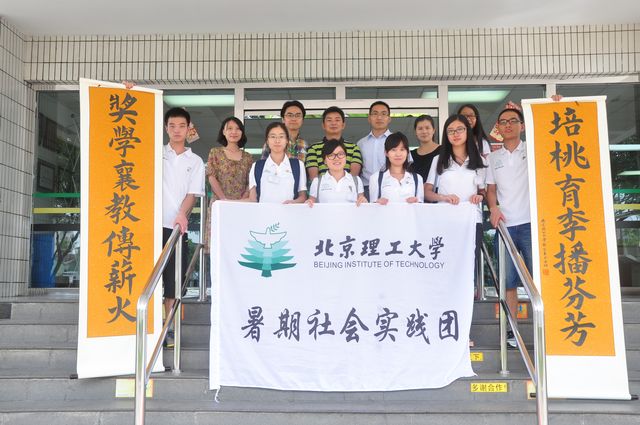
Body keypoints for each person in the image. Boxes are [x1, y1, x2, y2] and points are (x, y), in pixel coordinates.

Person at [486, 107, 531, 349]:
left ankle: (549, 327)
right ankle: (512, 330)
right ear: (498, 127)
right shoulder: (493, 158)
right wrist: (493, 207)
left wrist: (554, 105)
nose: (508, 125)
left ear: (522, 126)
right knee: (509, 282)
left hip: (532, 225)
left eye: (513, 121)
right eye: (503, 122)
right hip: (505, 227)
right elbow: (491, 190)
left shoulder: (532, 149)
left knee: (539, 280)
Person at [424, 114, 486, 288]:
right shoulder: (439, 160)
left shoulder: (479, 160)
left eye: (460, 129)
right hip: (445, 221)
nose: (455, 134)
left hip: (471, 221)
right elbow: (427, 193)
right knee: (444, 265)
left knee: (468, 267)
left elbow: (482, 191)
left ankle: (467, 301)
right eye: (450, 131)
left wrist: (479, 196)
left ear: (467, 131)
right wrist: (443, 197)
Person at [162, 107, 205, 348]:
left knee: (173, 282)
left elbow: (193, 193)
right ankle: (148, 326)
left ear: (189, 128)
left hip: (177, 227)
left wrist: (181, 214)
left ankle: (168, 330)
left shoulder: (195, 161)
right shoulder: (155, 153)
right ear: (166, 128)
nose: (177, 130)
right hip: (150, 226)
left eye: (181, 126)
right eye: (172, 126)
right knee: (150, 278)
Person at [205, 117, 253, 250]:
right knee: (219, 244)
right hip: (220, 204)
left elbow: (251, 182)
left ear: (242, 132)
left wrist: (241, 201)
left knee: (239, 244)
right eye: (230, 128)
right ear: (223, 132)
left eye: (238, 129)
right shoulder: (215, 152)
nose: (234, 132)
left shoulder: (248, 157)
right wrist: (224, 200)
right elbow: (211, 177)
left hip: (241, 207)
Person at [249, 122, 307, 203]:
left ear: (287, 140)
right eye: (273, 136)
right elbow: (252, 199)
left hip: (289, 211)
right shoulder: (257, 166)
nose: (277, 141)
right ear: (267, 141)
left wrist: (293, 202)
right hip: (264, 211)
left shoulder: (298, 165)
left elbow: (303, 196)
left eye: (281, 136)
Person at [305, 106, 362, 180]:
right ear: (323, 125)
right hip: (323, 187)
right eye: (329, 120)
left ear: (343, 125)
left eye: (337, 120)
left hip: (347, 187)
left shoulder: (354, 148)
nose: (333, 123)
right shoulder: (313, 149)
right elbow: (314, 178)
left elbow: (354, 176)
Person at [306, 139, 367, 206]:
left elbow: (361, 204)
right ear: (324, 160)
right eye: (331, 155)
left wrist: (364, 201)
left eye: (340, 154)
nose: (336, 158)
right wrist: (308, 203)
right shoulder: (317, 182)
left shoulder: (356, 181)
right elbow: (311, 204)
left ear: (346, 157)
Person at [369, 132, 424, 204]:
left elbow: (421, 207)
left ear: (407, 152)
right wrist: (377, 203)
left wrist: (416, 202)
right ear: (386, 153)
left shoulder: (417, 178)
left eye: (402, 149)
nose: (398, 154)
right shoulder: (376, 178)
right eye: (393, 150)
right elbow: (372, 207)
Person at [357, 101, 392, 198]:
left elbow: (407, 167)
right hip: (366, 190)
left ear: (389, 119)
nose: (379, 117)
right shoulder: (361, 143)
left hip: (390, 188)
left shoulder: (398, 141)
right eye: (375, 113)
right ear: (369, 118)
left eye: (383, 114)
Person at [410, 114, 440, 182]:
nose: (424, 131)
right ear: (415, 132)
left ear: (433, 130)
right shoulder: (411, 155)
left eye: (427, 128)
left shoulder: (443, 151)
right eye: (420, 128)